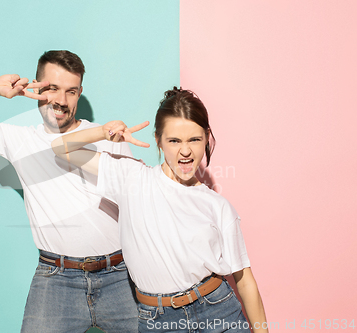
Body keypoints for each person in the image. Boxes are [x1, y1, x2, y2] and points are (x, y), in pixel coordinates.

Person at [0, 50, 138, 333]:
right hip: (57, 279)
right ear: (36, 86)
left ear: (80, 92)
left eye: (71, 91)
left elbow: (139, 203)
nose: (61, 101)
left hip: (119, 274)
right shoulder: (20, 140)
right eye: (52, 89)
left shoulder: (108, 136)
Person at [52, 87, 269, 332]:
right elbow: (59, 148)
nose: (185, 151)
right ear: (158, 139)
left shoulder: (218, 206)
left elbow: (244, 280)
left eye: (194, 139)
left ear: (206, 137)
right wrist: (102, 133)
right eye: (174, 140)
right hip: (158, 321)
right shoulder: (131, 178)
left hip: (217, 311)